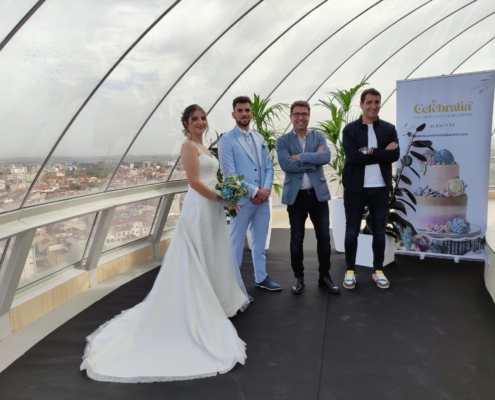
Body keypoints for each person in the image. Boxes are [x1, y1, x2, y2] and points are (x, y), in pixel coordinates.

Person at [80, 104, 250, 383]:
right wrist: (222, 199)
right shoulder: (188, 147)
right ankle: (196, 305)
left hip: (212, 208)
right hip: (200, 207)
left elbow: (211, 177)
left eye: (203, 118)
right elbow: (194, 182)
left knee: (213, 252)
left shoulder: (205, 147)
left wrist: (224, 195)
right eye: (194, 119)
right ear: (186, 123)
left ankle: (216, 298)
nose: (200, 122)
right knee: (197, 253)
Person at [218, 96, 282, 292]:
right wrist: (255, 191)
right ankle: (234, 286)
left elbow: (269, 167)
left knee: (260, 242)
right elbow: (231, 175)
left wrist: (265, 191)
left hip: (262, 200)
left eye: (247, 110)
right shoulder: (226, 141)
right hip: (241, 201)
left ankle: (261, 278)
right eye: (240, 110)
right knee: (235, 244)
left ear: (251, 113)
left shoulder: (259, 138)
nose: (244, 114)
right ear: (233, 114)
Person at [276, 100, 340, 295]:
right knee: (296, 238)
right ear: (291, 117)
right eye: (296, 114)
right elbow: (286, 165)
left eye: (304, 113)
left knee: (324, 238)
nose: (300, 117)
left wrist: (300, 157)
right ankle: (298, 277)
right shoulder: (283, 141)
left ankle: (325, 276)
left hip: (318, 196)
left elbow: (326, 157)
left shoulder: (318, 136)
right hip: (296, 197)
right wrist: (312, 159)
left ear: (309, 116)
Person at [342, 88, 399, 290]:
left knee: (379, 232)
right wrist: (381, 153)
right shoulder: (350, 130)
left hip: (380, 189)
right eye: (369, 102)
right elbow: (353, 157)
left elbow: (394, 156)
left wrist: (369, 151)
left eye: (377, 102)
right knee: (351, 231)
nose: (373, 106)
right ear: (362, 104)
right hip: (355, 189)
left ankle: (378, 271)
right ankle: (350, 271)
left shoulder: (388, 129)